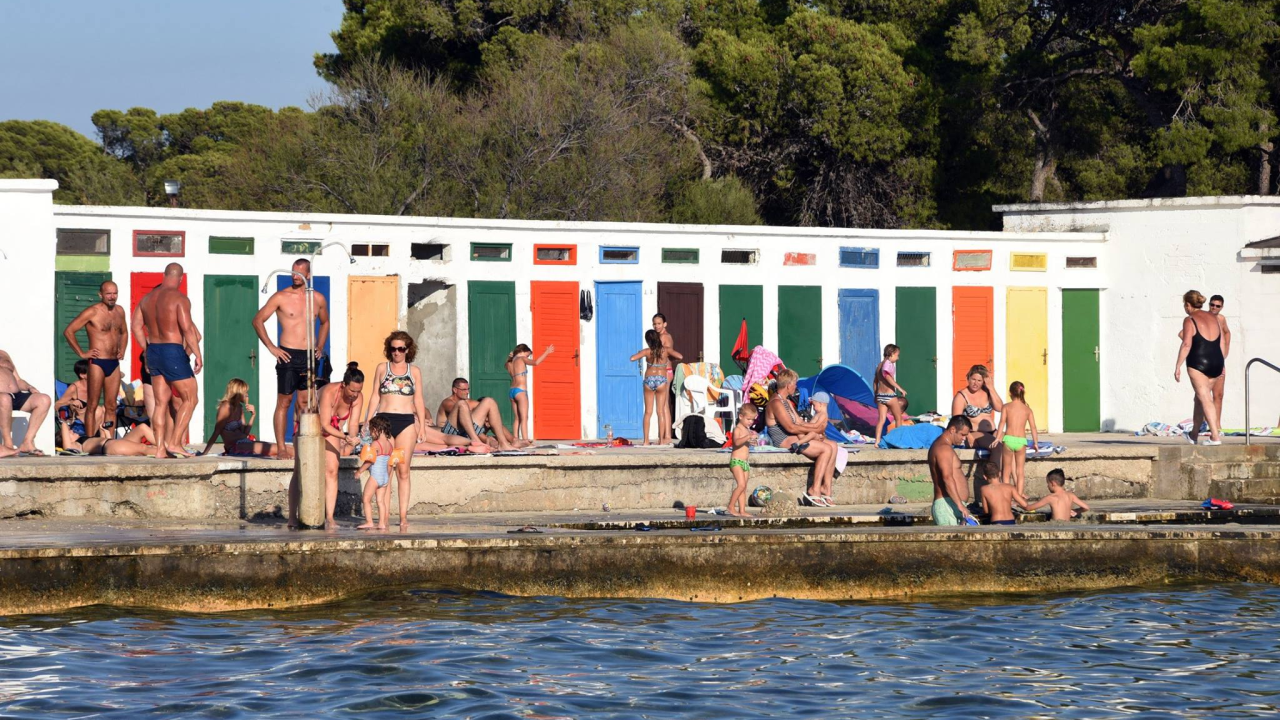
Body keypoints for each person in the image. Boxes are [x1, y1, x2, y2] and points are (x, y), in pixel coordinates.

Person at [251, 258, 332, 460]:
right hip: (288, 354)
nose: (295, 276)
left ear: (308, 275)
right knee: (284, 401)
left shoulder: (318, 299)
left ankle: (302, 443)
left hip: (309, 356)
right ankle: (281, 448)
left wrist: (320, 346)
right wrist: (272, 347)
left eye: (299, 273)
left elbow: (325, 322)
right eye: (293, 272)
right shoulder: (281, 296)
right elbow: (258, 320)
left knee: (306, 402)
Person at [132, 262, 202, 459]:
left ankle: (160, 449)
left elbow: (136, 326)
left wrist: (146, 350)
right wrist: (197, 354)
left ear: (164, 275)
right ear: (180, 278)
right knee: (191, 398)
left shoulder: (146, 299)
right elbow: (188, 329)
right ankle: (175, 443)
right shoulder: (179, 298)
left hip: (153, 350)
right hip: (172, 349)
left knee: (160, 404)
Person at [364, 331, 428, 532]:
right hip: (384, 421)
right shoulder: (382, 368)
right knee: (385, 470)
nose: (397, 353)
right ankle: (383, 517)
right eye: (393, 349)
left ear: (408, 350)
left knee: (403, 470)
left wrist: (423, 426)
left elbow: (418, 399)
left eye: (401, 349)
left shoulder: (414, 371)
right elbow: (375, 395)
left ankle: (402, 516)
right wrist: (367, 420)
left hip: (406, 421)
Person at [62, 280, 127, 439]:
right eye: (108, 294)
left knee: (111, 406)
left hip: (114, 363)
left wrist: (122, 350)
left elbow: (124, 333)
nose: (112, 297)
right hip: (97, 363)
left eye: (115, 293)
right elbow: (69, 331)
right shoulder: (92, 312)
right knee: (92, 404)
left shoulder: (120, 311)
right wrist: (82, 353)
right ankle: (89, 442)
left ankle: (109, 441)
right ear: (100, 295)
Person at [765, 368, 838, 507]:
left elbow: (799, 422)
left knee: (833, 445)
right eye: (795, 384)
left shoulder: (785, 401)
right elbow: (790, 428)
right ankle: (814, 489)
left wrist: (816, 430)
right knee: (826, 449)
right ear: (788, 385)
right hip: (784, 439)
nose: (796, 386)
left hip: (794, 435)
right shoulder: (776, 403)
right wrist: (815, 429)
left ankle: (826, 489)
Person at [316, 363, 366, 526]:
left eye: (358, 391)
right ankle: (295, 517)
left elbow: (352, 425)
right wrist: (345, 438)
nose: (355, 395)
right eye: (352, 390)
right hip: (312, 422)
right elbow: (324, 424)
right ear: (343, 385)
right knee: (305, 467)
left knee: (332, 469)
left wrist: (352, 438)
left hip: (333, 429)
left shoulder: (358, 397)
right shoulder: (330, 391)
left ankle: (329, 516)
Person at [1175, 290, 1225, 445]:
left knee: (1205, 398)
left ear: (1188, 305)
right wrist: (1222, 363)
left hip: (1198, 363)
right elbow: (1221, 342)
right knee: (1199, 398)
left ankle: (1215, 436)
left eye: (1185, 305)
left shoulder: (1190, 319)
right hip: (1216, 362)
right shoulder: (1215, 318)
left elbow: (1186, 343)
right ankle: (1194, 434)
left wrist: (1178, 366)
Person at [436, 378, 517, 451]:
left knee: (489, 401)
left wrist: (487, 417)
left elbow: (483, 409)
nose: (467, 392)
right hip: (450, 435)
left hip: (466, 432)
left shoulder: (468, 402)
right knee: (462, 405)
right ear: (455, 390)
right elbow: (461, 415)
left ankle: (504, 443)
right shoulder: (447, 402)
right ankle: (478, 441)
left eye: (468, 389)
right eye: (464, 389)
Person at [199, 378, 274, 457]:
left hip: (244, 442)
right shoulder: (226, 406)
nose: (247, 395)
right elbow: (216, 431)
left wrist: (253, 415)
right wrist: (205, 452)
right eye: (245, 392)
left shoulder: (239, 407)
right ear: (238, 392)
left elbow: (245, 433)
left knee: (280, 447)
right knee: (276, 449)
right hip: (236, 447)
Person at [0, 350, 51, 458]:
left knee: (44, 399)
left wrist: (29, 387)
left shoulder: (4, 354)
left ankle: (27, 442)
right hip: (2, 397)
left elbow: (18, 380)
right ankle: (8, 444)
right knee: (5, 399)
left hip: (15, 395)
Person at [355, 415, 402, 531]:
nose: (370, 434)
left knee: (366, 499)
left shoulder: (375, 444)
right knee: (381, 501)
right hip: (385, 477)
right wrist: (387, 476)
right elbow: (390, 463)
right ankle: (381, 523)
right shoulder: (390, 445)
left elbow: (370, 460)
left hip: (375, 476)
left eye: (371, 431)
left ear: (376, 429)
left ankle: (369, 522)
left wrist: (359, 471)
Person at [630, 330, 678, 445]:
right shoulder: (665, 350)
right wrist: (669, 359)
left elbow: (632, 358)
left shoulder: (647, 351)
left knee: (648, 412)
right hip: (661, 379)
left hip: (649, 380)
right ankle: (661, 441)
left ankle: (646, 441)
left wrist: (640, 353)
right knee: (660, 412)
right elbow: (680, 356)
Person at [928, 415, 974, 526]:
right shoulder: (943, 448)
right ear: (953, 430)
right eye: (962, 435)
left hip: (952, 504)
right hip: (947, 505)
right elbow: (947, 478)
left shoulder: (943, 446)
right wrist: (960, 505)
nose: (964, 439)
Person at [995, 380, 1039, 496]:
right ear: (1022, 392)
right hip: (1021, 441)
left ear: (1010, 393)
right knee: (1020, 471)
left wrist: (997, 437)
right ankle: (1019, 496)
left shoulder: (1006, 407)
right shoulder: (1027, 410)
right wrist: (1035, 443)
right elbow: (1033, 428)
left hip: (1008, 439)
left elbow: (1001, 423)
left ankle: (1006, 495)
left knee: (1006, 471)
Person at [506, 343, 553, 444]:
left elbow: (510, 372)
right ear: (523, 351)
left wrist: (509, 357)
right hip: (520, 391)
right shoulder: (522, 359)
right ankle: (525, 440)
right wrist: (547, 352)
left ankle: (515, 439)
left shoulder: (511, 362)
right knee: (524, 417)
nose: (528, 357)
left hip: (512, 391)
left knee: (517, 418)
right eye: (528, 354)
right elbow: (536, 363)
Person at [951, 365, 1004, 455]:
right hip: (974, 433)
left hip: (993, 431)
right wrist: (968, 435)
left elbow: (1000, 408)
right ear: (968, 378)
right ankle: (994, 469)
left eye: (979, 380)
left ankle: (1010, 469)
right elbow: (956, 420)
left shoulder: (987, 392)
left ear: (984, 381)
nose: (976, 383)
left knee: (1012, 444)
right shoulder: (961, 396)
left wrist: (991, 387)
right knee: (997, 446)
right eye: (973, 379)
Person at [55, 359, 103, 451]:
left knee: (104, 410)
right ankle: (91, 439)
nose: (95, 373)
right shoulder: (74, 388)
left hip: (92, 417)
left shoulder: (93, 386)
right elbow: (57, 404)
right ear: (82, 375)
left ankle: (103, 439)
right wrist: (71, 402)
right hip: (78, 419)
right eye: (92, 371)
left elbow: (121, 375)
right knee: (99, 410)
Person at [727, 403, 758, 518]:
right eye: (748, 419)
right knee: (741, 485)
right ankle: (731, 506)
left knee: (744, 488)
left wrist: (753, 440)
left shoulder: (747, 430)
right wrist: (748, 437)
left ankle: (742, 510)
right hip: (736, 461)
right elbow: (736, 442)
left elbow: (746, 443)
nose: (751, 422)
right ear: (741, 416)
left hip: (745, 462)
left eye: (753, 420)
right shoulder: (738, 429)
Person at [873, 344, 907, 447]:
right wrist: (900, 388)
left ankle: (877, 441)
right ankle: (897, 441)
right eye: (897, 355)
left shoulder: (879, 365)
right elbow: (887, 376)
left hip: (880, 396)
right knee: (898, 418)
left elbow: (875, 381)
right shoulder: (888, 364)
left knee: (881, 420)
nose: (898, 358)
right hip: (889, 396)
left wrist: (875, 395)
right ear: (891, 354)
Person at [1208, 294, 1231, 429]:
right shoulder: (1203, 317)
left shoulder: (1221, 319)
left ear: (1221, 307)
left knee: (1219, 394)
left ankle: (1217, 425)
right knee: (1204, 395)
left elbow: (1227, 332)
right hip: (1205, 361)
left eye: (1217, 306)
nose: (1214, 308)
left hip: (1219, 361)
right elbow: (1184, 333)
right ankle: (1208, 423)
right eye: (1212, 305)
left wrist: (1226, 350)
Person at [979, 462, 1028, 526]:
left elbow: (986, 511)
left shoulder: (984, 489)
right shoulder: (1010, 487)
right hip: (1011, 520)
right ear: (999, 474)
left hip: (996, 520)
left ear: (985, 477)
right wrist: (1015, 504)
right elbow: (1024, 504)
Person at [78, 423, 158, 457]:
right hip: (111, 445)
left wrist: (104, 431)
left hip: (111, 443)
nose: (72, 431)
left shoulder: (86, 441)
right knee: (143, 448)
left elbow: (106, 442)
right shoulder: (76, 445)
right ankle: (166, 454)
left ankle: (166, 447)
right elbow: (68, 446)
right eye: (70, 433)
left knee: (142, 427)